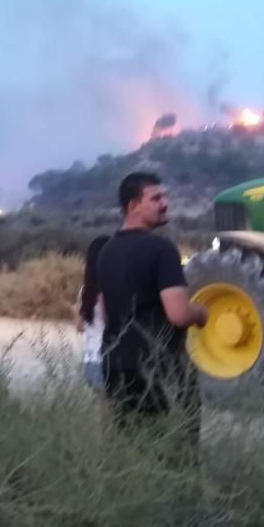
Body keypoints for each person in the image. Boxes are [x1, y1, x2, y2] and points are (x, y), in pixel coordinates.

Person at [97, 172, 208, 437]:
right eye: (156, 198)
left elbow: (103, 310)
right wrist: (201, 312)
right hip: (159, 366)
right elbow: (179, 314)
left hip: (115, 365)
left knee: (132, 448)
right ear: (133, 205)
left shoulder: (106, 250)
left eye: (165, 196)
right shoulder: (162, 249)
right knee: (176, 449)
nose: (165, 203)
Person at [73, 234, 110, 391]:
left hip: (90, 360)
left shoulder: (85, 291)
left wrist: (74, 310)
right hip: (106, 360)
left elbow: (80, 327)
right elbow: (110, 319)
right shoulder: (106, 291)